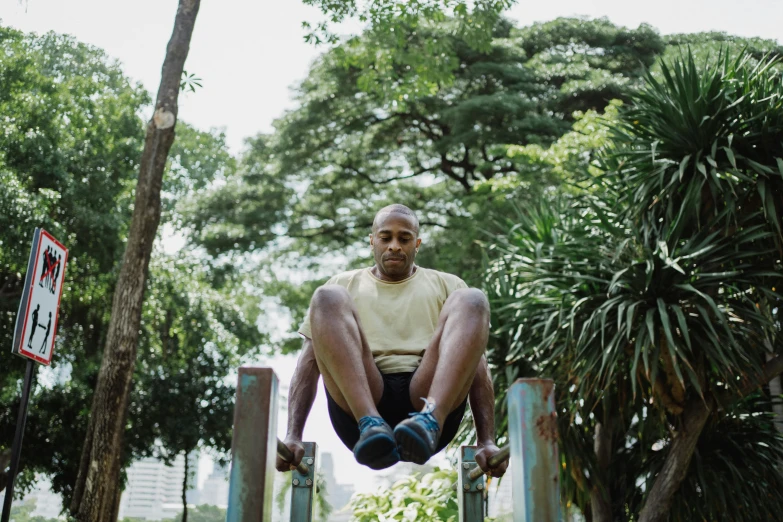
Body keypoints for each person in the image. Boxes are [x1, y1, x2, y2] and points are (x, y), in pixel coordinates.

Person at [276, 204, 507, 476]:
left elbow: (475, 363)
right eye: (386, 238)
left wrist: (486, 441)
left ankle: (429, 421)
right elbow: (310, 360)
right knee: (327, 296)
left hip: (429, 400)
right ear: (372, 240)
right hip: (361, 400)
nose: (394, 246)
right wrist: (293, 434)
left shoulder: (446, 284)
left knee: (472, 299)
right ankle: (370, 423)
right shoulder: (344, 282)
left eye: (404, 238)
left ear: (417, 243)